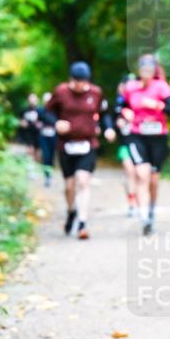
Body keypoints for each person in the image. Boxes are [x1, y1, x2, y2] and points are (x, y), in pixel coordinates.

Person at [46, 61, 116, 240]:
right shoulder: (61, 92)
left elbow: (104, 113)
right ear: (71, 79)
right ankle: (71, 212)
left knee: (83, 181)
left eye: (84, 82)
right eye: (78, 82)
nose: (81, 85)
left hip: (88, 144)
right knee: (69, 185)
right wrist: (55, 123)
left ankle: (83, 223)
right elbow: (46, 112)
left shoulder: (95, 92)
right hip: (66, 145)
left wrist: (107, 128)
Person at [122, 54, 170, 236]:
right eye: (143, 70)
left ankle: (151, 210)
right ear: (139, 70)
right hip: (137, 136)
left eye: (149, 70)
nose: (146, 73)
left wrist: (156, 105)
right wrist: (125, 114)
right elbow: (120, 107)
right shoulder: (131, 88)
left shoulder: (161, 86)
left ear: (153, 71)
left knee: (153, 179)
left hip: (158, 138)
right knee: (141, 174)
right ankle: (143, 215)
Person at [115, 74, 140, 217]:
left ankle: (139, 200)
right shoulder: (120, 102)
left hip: (140, 143)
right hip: (124, 144)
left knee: (139, 174)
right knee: (130, 171)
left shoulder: (141, 99)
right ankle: (131, 203)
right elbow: (112, 121)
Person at [16, 93, 42, 161]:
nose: (32, 100)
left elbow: (44, 120)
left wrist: (40, 124)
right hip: (28, 133)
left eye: (33, 98)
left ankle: (35, 164)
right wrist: (22, 123)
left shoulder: (40, 110)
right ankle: (30, 164)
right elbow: (20, 120)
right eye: (31, 98)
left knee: (36, 152)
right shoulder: (24, 110)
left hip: (37, 133)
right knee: (30, 150)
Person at [38, 92, 57, 187]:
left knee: (51, 156)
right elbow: (37, 122)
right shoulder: (40, 111)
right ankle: (47, 176)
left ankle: (50, 174)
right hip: (44, 135)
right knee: (46, 155)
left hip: (53, 136)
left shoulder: (56, 111)